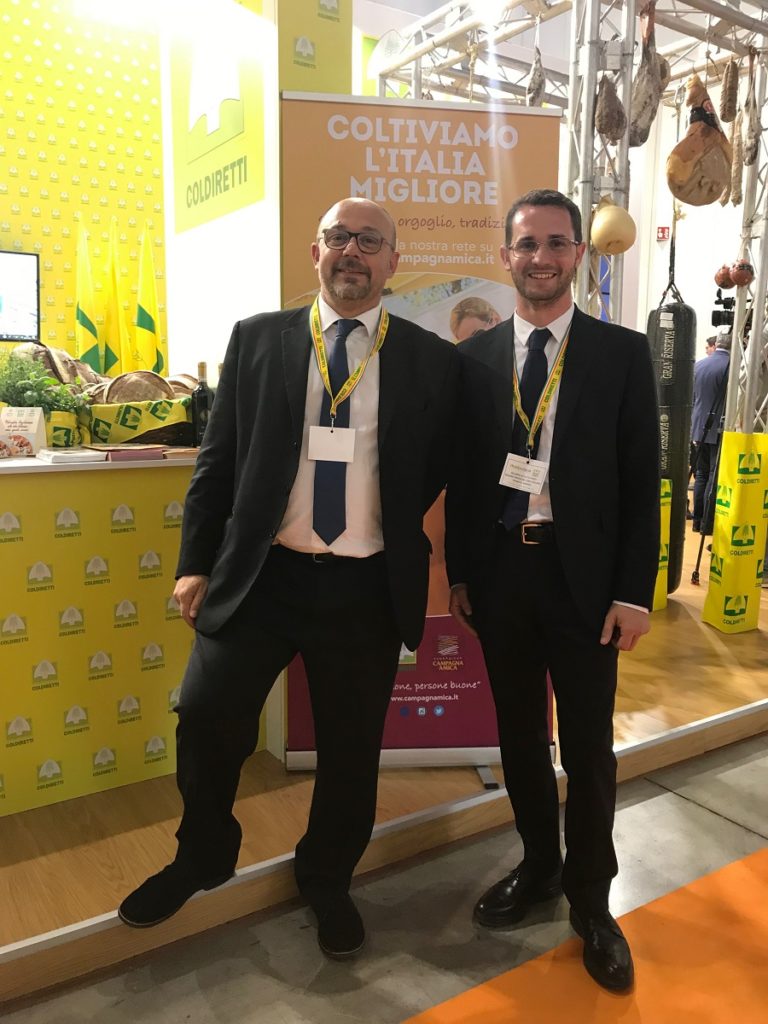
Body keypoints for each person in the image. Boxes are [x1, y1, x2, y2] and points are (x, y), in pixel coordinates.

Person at [118, 197, 459, 959]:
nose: (352, 251)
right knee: (206, 715)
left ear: (393, 262)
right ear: (316, 252)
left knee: (350, 751)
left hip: (366, 586)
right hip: (262, 576)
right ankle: (204, 853)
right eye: (338, 236)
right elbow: (218, 461)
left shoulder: (430, 359)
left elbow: (436, 466)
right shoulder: (258, 339)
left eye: (369, 240)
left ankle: (326, 878)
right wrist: (195, 562)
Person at [445, 189, 659, 993]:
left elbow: (641, 482)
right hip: (502, 575)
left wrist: (634, 592)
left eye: (557, 243)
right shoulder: (473, 359)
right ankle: (539, 865)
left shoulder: (621, 353)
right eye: (527, 244)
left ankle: (592, 901)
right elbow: (466, 479)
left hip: (585, 583)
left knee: (588, 746)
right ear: (506, 256)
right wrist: (461, 572)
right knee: (518, 737)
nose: (542, 257)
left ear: (579, 254)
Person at [690, 332, 730, 532]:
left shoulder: (698, 365)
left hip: (698, 427)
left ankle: (697, 521)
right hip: (718, 428)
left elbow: (693, 397)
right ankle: (707, 524)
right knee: (714, 477)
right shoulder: (731, 366)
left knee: (701, 474)